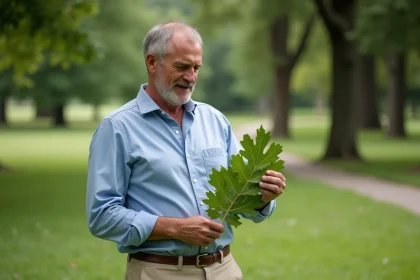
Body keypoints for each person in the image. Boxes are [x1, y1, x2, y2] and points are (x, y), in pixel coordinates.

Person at [86, 21, 287, 280]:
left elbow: (239, 200)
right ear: (151, 62)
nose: (191, 77)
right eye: (181, 67)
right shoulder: (117, 128)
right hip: (159, 272)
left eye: (196, 68)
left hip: (224, 269)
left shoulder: (215, 120)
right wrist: (175, 229)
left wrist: (263, 198)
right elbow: (102, 215)